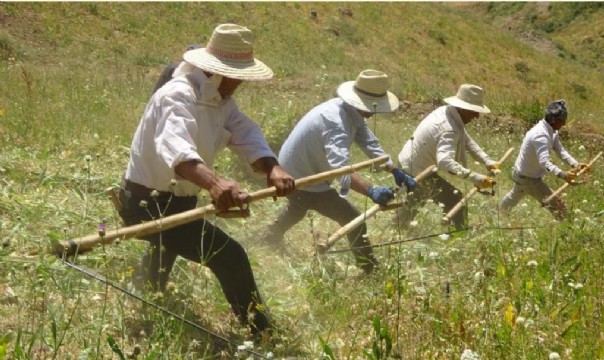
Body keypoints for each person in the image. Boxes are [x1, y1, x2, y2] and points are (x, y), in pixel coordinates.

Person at [118, 23, 295, 335]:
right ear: (223, 72)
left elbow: (245, 132)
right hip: (146, 202)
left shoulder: (221, 101)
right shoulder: (178, 95)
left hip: (178, 201)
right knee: (230, 256)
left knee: (166, 245)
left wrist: (272, 168)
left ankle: (146, 293)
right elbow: (176, 148)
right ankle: (263, 332)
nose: (241, 82)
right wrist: (215, 184)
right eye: (239, 75)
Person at [260, 69, 416, 274]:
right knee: (353, 218)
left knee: (299, 206)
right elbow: (340, 170)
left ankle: (266, 239)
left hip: (298, 169)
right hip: (297, 176)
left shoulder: (350, 111)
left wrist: (394, 169)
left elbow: (368, 141)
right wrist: (371, 190)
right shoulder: (336, 122)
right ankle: (369, 268)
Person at [131, 43, 202, 296]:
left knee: (170, 229)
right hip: (166, 155)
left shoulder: (205, 90)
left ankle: (150, 280)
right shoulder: (177, 81)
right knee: (166, 226)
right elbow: (163, 116)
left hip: (182, 159)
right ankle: (147, 281)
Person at [396, 84, 499, 230]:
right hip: (416, 171)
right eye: (474, 111)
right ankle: (458, 236)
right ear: (464, 108)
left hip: (408, 162)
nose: (477, 116)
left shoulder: (447, 112)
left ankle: (398, 227)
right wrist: (476, 177)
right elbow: (444, 161)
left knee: (415, 202)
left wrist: (487, 160)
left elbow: (465, 139)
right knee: (456, 201)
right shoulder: (449, 128)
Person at [499, 99, 587, 220]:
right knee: (558, 207)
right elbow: (544, 161)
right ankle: (568, 229)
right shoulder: (541, 135)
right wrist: (562, 174)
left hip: (521, 174)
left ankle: (498, 213)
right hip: (529, 179)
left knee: (513, 197)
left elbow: (560, 151)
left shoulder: (552, 131)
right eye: (562, 121)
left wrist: (575, 164)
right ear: (554, 120)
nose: (564, 124)